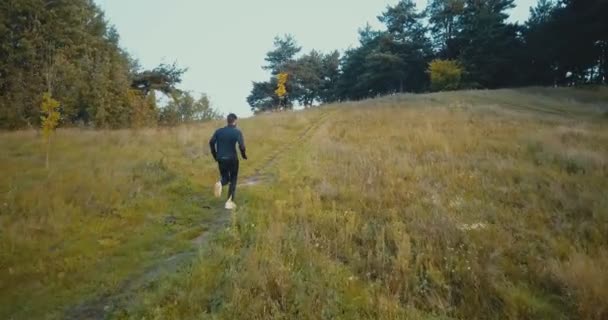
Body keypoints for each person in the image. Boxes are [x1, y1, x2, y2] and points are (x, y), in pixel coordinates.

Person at [209, 113, 247, 209]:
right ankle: (229, 202)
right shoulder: (237, 132)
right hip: (232, 159)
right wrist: (243, 155)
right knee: (233, 179)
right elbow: (241, 146)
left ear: (227, 121)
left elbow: (211, 142)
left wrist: (215, 155)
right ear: (235, 121)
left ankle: (220, 183)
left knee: (225, 178)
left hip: (221, 159)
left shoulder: (219, 131)